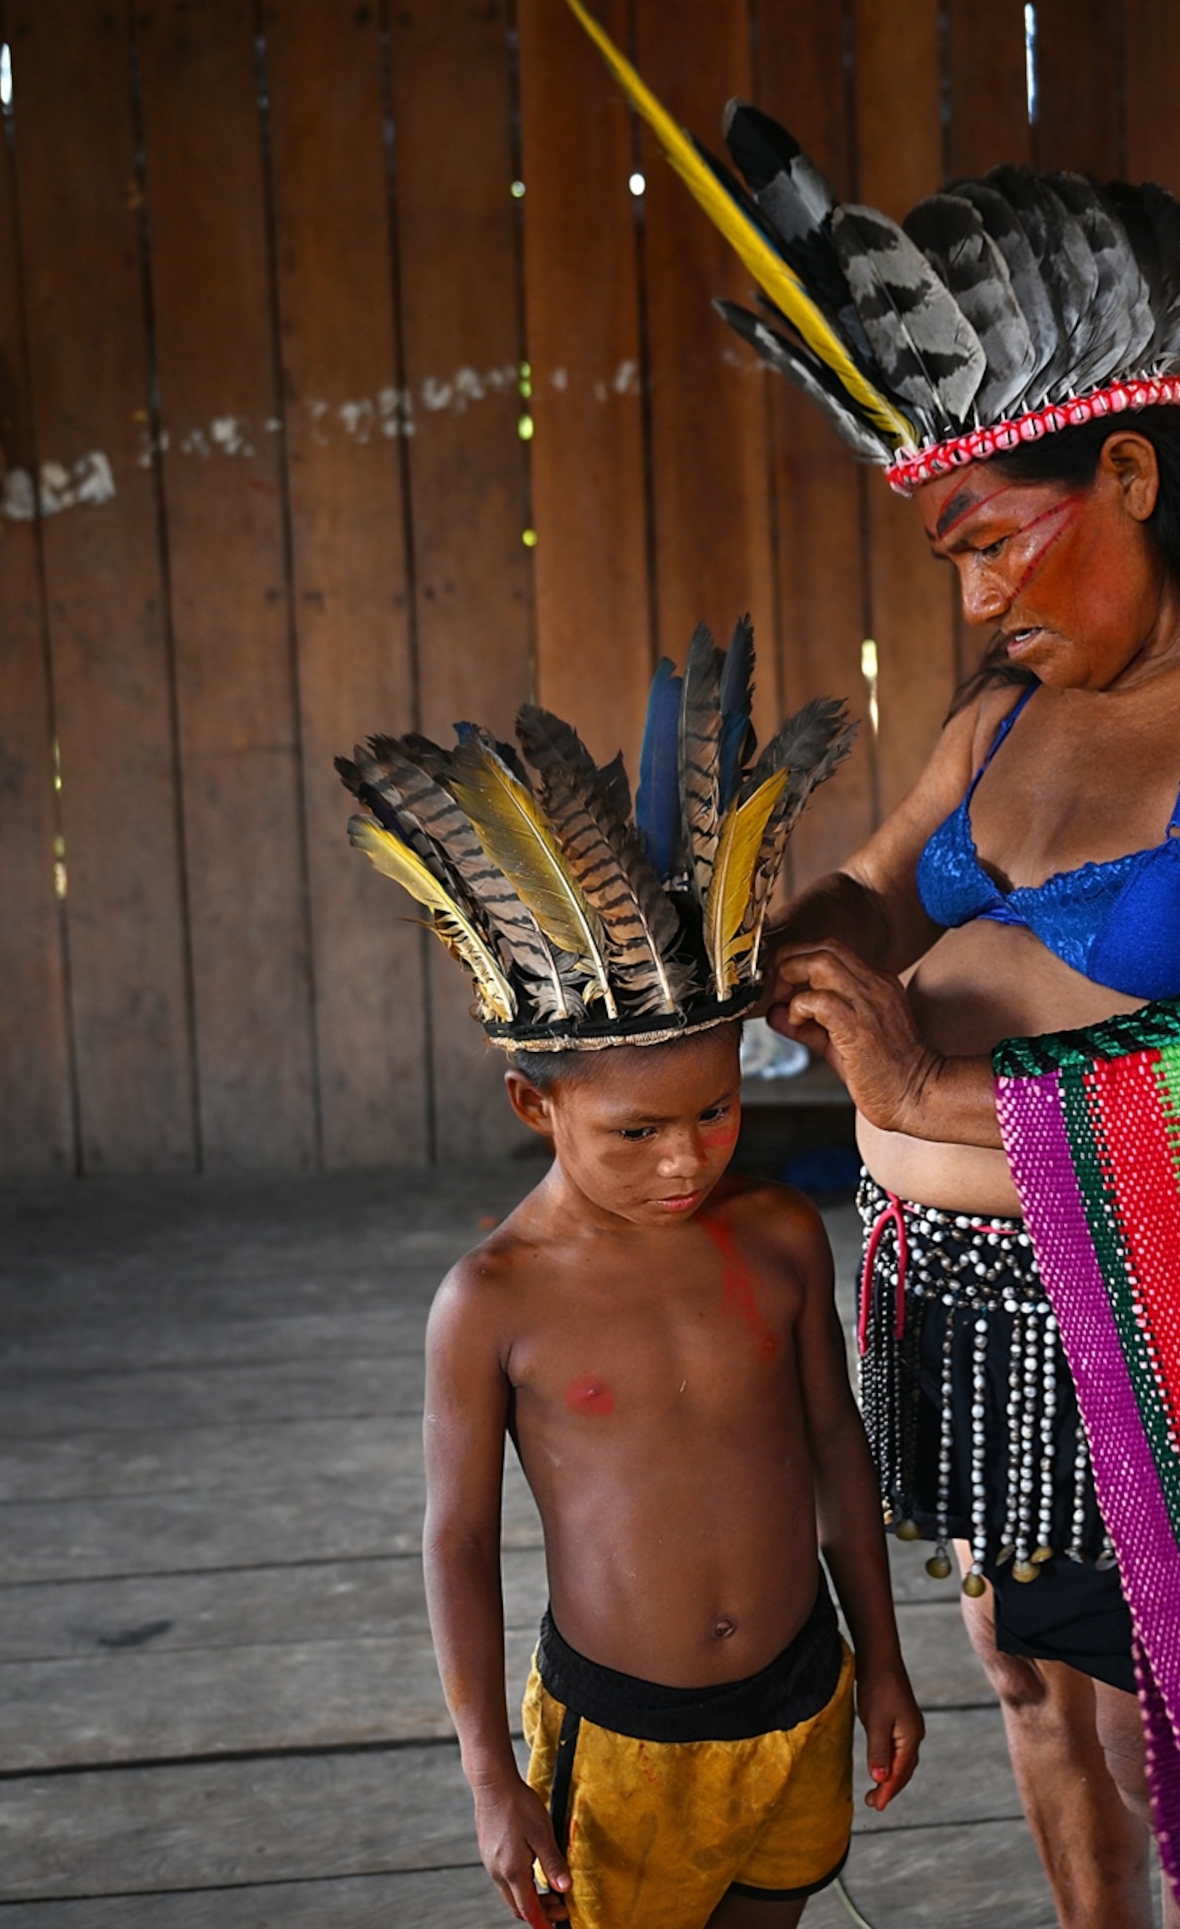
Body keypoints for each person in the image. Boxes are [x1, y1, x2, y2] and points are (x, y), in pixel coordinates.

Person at [551, 0, 1180, 1928]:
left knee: (1171, 1724)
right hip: (970, 1295)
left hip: (1163, 1300)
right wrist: (756, 943)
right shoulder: (1017, 700)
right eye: (947, 552)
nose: (969, 590)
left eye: (993, 537)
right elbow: (884, 893)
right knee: (1034, 1685)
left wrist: (905, 1085)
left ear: (1130, 477)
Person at [342, 626, 922, 1929]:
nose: (685, 1161)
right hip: (621, 1739)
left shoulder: (775, 1234)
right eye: (636, 1134)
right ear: (531, 1107)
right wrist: (491, 1775)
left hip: (803, 1690)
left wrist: (883, 1661)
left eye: (714, 1113)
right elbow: (458, 1543)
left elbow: (836, 1449)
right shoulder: (493, 1301)